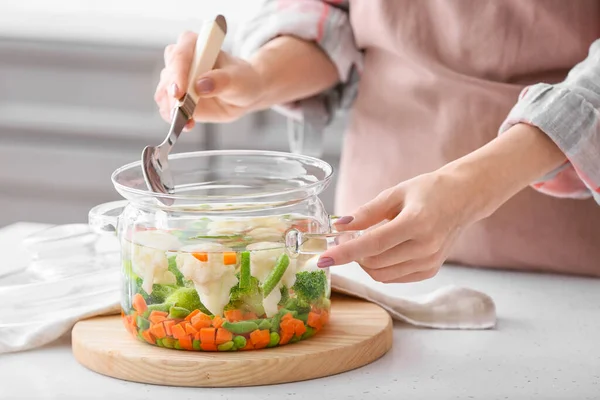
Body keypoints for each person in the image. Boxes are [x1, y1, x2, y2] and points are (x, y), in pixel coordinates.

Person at [154, 0, 600, 282]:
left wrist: (468, 188)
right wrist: (257, 76)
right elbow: (338, 14)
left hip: (571, 274)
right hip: (372, 262)